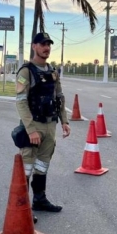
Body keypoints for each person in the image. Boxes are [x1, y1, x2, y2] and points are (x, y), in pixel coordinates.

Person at [15, 32, 71, 216]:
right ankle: (20, 209)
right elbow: (21, 102)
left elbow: (59, 97)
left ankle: (39, 199)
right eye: (42, 44)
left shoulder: (53, 72)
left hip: (50, 126)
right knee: (27, 167)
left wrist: (64, 121)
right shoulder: (26, 71)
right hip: (34, 126)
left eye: (48, 44)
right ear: (34, 46)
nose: (46, 47)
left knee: (42, 165)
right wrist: (31, 130)